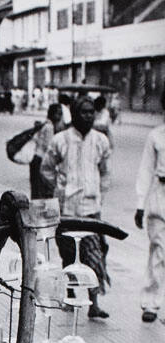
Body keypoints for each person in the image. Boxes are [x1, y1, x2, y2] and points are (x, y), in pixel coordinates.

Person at [41, 96, 112, 319]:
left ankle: (94, 303)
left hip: (91, 209)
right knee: (69, 255)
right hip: (66, 209)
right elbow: (46, 168)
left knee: (94, 256)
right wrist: (59, 188)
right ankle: (70, 297)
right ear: (74, 113)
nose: (89, 116)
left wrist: (98, 193)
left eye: (92, 112)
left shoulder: (101, 140)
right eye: (84, 112)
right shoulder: (60, 140)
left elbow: (106, 171)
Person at [135, 88, 165, 323]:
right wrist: (140, 204)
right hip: (160, 195)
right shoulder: (156, 136)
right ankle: (151, 303)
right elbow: (145, 170)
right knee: (159, 248)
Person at [30, 104, 64, 199]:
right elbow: (49, 146)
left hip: (36, 158)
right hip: (41, 160)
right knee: (41, 192)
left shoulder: (44, 124)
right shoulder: (50, 127)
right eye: (58, 114)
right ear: (52, 114)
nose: (60, 116)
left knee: (36, 191)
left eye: (61, 114)